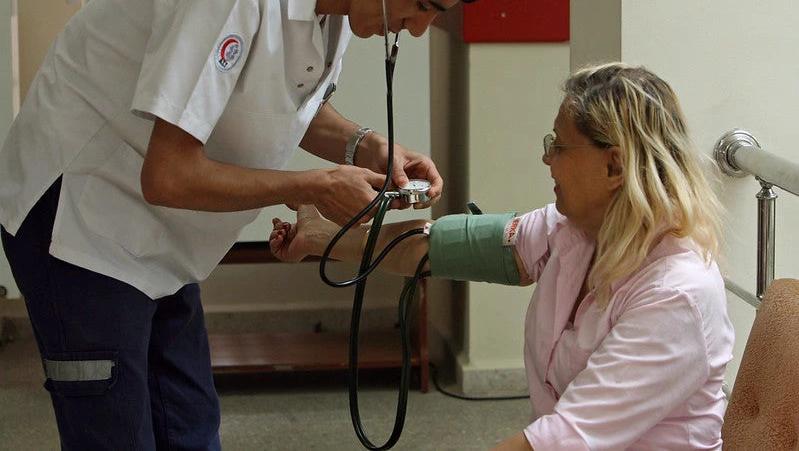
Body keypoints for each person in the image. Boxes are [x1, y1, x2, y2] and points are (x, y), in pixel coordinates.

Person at [0, 0, 517, 448]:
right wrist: (312, 187)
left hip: (159, 236)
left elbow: (285, 98)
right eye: (424, 5)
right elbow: (168, 174)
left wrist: (367, 146)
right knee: (117, 435)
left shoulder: (329, 1)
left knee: (191, 428)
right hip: (79, 225)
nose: (416, 28)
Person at [269, 63, 735, 450]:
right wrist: (321, 237)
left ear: (613, 166)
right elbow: (434, 247)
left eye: (558, 145)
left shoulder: (676, 295)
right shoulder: (571, 230)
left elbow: (562, 439)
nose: (546, 159)